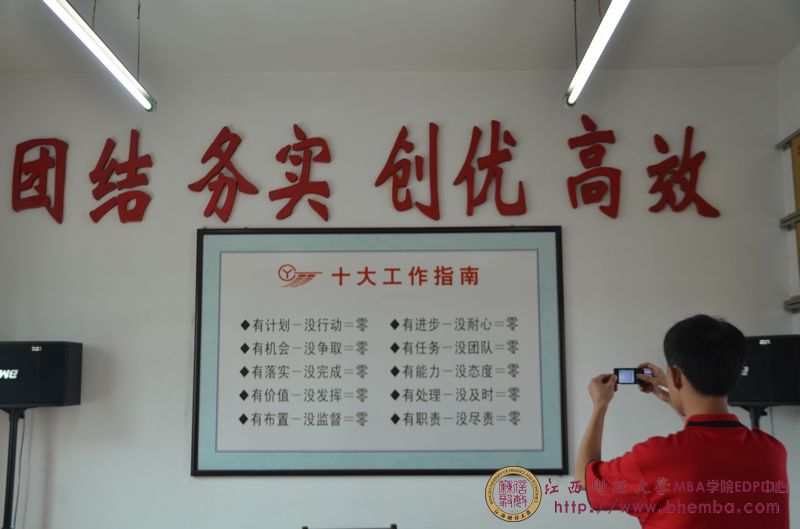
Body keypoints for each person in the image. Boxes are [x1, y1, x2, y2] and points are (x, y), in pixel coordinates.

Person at [574, 314, 789, 528]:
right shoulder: (772, 452)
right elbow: (706, 440)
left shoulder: (655, 458)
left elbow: (584, 480)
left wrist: (600, 406)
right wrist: (674, 396)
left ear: (675, 376)